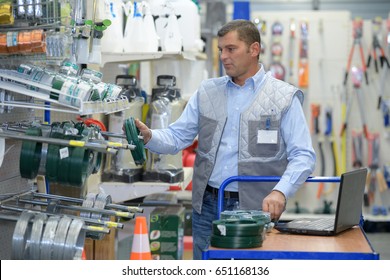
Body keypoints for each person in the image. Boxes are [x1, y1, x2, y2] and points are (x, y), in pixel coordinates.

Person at [135, 19, 316, 260]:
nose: (223, 56)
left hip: (254, 210)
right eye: (221, 50)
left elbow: (303, 156)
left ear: (254, 49)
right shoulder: (208, 92)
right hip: (207, 206)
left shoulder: (283, 97)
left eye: (231, 49)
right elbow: (178, 136)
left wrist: (280, 192)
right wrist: (150, 136)